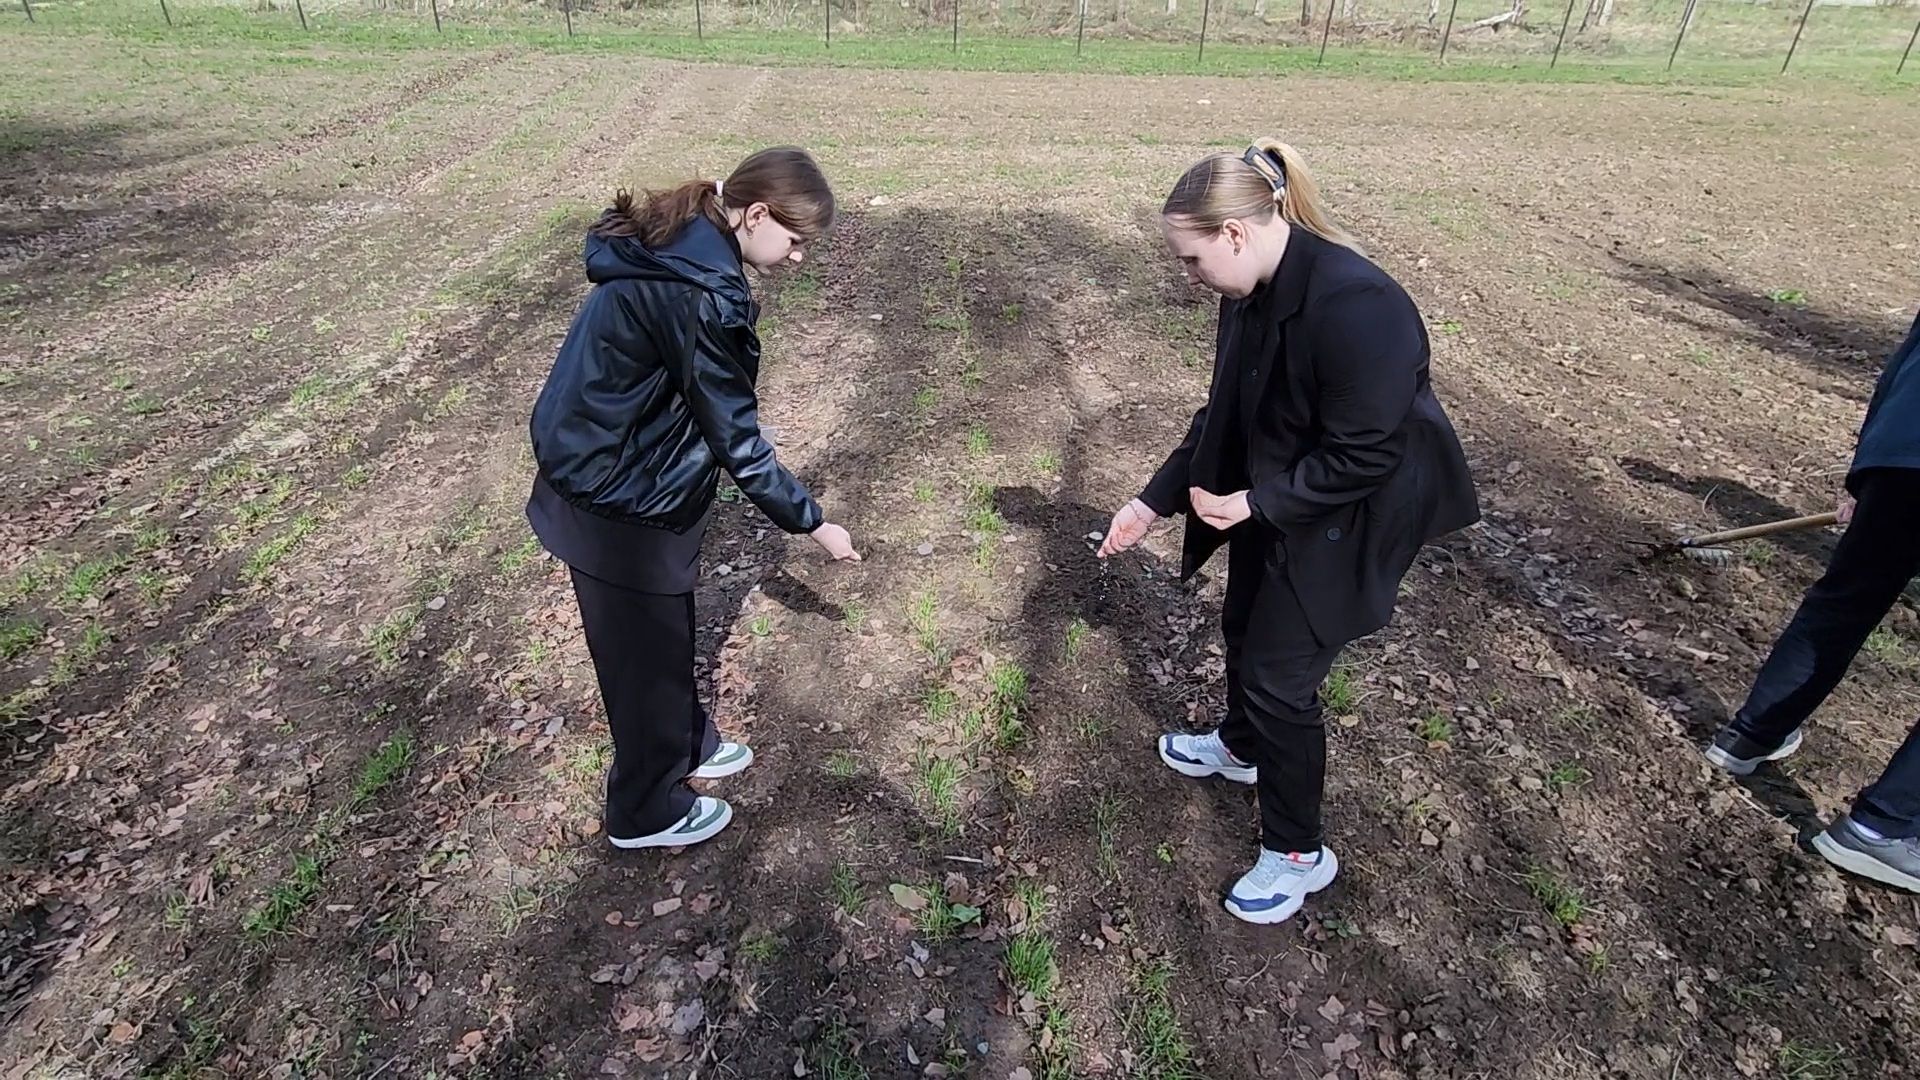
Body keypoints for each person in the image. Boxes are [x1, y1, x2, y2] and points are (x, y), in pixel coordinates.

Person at [1098, 140, 1480, 926]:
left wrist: (1259, 503)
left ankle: (1300, 853)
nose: (1189, 276)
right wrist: (1152, 501)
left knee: (1281, 679)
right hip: (1280, 493)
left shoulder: (1359, 305)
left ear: (1236, 234)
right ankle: (1241, 748)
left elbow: (1368, 454)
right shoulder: (1251, 293)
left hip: (1356, 513)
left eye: (1192, 259)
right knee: (1244, 625)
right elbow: (1225, 415)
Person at [527, 147, 861, 851]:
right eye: (795, 241)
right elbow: (735, 437)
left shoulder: (689, 244)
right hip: (614, 495)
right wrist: (814, 522)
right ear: (756, 214)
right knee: (640, 660)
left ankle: (686, 739)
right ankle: (644, 811)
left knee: (667, 628)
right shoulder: (699, 290)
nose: (799, 257)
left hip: (626, 469)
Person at [1705, 308, 1920, 893]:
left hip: (1902, 454)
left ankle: (1750, 735)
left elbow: (1905, 363)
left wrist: (1866, 471)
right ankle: (1883, 827)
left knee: (1842, 602)